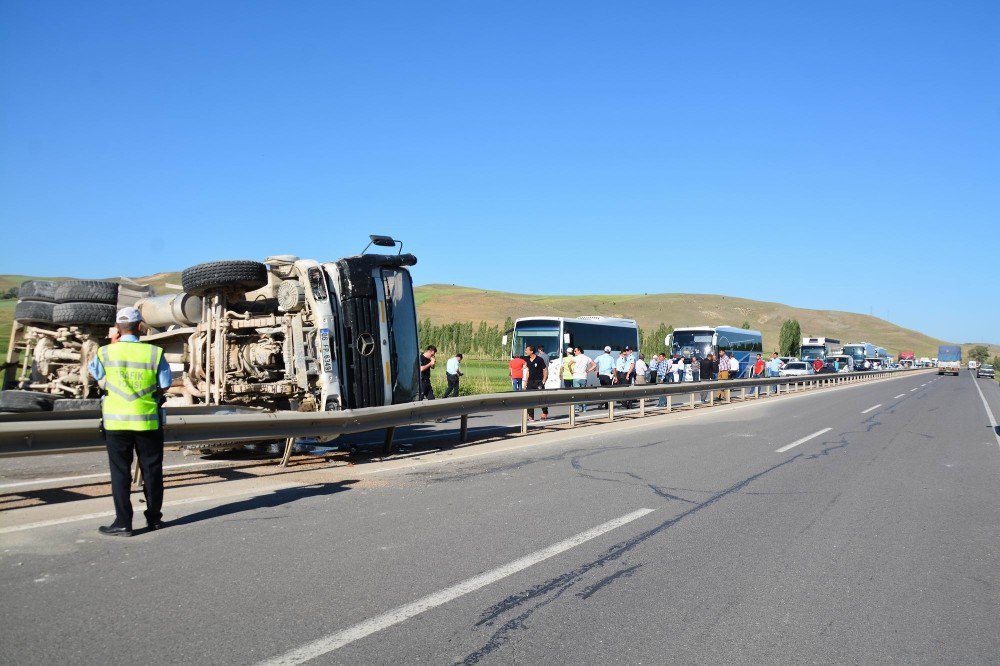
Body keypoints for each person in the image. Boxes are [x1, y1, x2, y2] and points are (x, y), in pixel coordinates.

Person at [87, 307, 171, 537]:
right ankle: (154, 519)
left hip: (115, 423)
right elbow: (165, 383)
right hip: (147, 422)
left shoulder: (105, 352)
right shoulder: (153, 353)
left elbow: (93, 373)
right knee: (152, 472)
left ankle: (123, 522)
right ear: (140, 327)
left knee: (120, 473)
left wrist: (113, 344)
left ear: (118, 329)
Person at [523, 346, 548, 421]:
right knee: (529, 399)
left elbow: (545, 370)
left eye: (527, 350)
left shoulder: (539, 359)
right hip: (530, 382)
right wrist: (525, 382)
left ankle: (545, 412)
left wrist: (543, 381)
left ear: (531, 351)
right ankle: (531, 416)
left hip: (538, 382)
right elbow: (528, 371)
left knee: (541, 398)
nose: (525, 352)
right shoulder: (527, 359)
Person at [571, 347, 596, 412]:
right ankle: (584, 408)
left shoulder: (575, 358)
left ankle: (577, 408)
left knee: (577, 393)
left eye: (575, 351)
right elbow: (594, 365)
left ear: (579, 351)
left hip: (576, 377)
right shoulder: (587, 358)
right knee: (583, 393)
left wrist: (571, 371)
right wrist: (588, 370)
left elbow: (569, 364)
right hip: (583, 377)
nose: (574, 352)